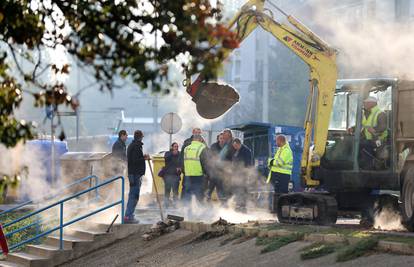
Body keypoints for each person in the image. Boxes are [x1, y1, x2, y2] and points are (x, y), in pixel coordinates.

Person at [125, 130, 149, 224]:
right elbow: (135, 160)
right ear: (140, 137)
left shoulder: (133, 145)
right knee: (134, 196)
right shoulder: (136, 146)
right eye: (142, 137)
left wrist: (142, 157)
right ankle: (128, 216)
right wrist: (144, 158)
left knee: (133, 195)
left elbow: (134, 158)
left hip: (133, 173)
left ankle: (129, 215)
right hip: (135, 174)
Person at [267, 135, 293, 212]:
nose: (276, 142)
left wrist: (271, 162)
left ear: (281, 141)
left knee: (281, 193)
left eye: (276, 141)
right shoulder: (281, 149)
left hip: (282, 176)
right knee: (276, 193)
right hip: (278, 175)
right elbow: (275, 161)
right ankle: (276, 210)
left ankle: (281, 211)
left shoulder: (286, 151)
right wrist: (271, 162)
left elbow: (280, 162)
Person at [360, 96, 388, 169]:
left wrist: (374, 129)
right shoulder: (366, 113)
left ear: (372, 103)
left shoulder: (380, 113)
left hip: (378, 141)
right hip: (368, 139)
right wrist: (353, 129)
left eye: (365, 103)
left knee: (365, 147)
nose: (364, 104)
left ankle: (369, 168)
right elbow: (363, 125)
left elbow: (383, 126)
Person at [183, 134, 208, 203]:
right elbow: (205, 162)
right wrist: (206, 173)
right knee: (199, 193)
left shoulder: (186, 148)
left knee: (188, 193)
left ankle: (186, 209)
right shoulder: (202, 147)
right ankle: (199, 210)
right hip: (198, 174)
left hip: (188, 173)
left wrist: (184, 171)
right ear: (200, 140)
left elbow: (183, 161)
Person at [180, 127, 202, 200]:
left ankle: (197, 206)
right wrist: (182, 168)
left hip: (197, 170)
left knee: (197, 189)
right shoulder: (187, 142)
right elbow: (182, 156)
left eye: (199, 133)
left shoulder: (202, 141)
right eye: (196, 132)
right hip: (187, 170)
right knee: (186, 188)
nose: (197, 134)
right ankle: (183, 205)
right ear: (193, 132)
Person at [232, 138, 253, 212]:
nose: (234, 147)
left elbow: (248, 163)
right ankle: (238, 204)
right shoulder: (236, 150)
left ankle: (243, 206)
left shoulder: (246, 150)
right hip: (237, 173)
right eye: (233, 146)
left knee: (243, 189)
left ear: (238, 144)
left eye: (235, 145)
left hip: (243, 173)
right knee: (237, 189)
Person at [206, 133, 226, 202]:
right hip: (213, 171)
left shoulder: (227, 147)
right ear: (218, 139)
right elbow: (209, 157)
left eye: (223, 138)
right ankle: (207, 201)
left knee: (221, 189)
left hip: (222, 172)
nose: (222, 140)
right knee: (210, 187)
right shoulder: (213, 146)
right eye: (221, 138)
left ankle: (223, 204)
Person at [163, 142, 181, 207]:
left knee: (175, 191)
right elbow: (166, 158)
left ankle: (175, 205)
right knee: (167, 191)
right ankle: (166, 204)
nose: (176, 148)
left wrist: (180, 168)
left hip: (176, 176)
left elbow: (181, 162)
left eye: (177, 147)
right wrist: (172, 153)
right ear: (172, 147)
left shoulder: (179, 154)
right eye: (175, 146)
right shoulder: (168, 153)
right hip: (168, 175)